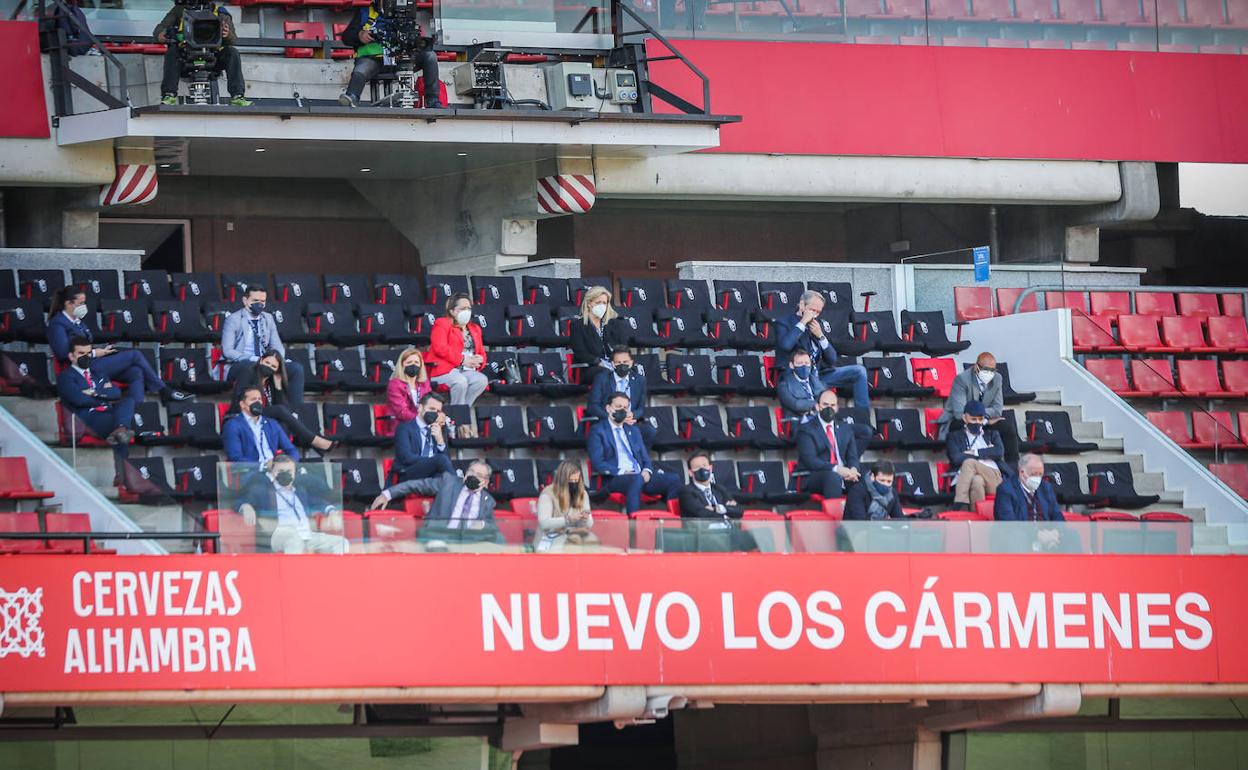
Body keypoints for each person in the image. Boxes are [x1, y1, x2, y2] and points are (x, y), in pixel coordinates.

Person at [46, 286, 191, 403]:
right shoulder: (57, 324)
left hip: (93, 363)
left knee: (136, 372)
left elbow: (84, 344)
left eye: (84, 303)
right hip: (81, 369)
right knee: (135, 355)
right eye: (80, 303)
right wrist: (95, 353)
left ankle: (137, 412)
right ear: (68, 304)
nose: (83, 306)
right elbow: (63, 353)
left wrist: (102, 351)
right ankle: (163, 390)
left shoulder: (77, 322)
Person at [56, 337, 141, 484]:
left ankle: (121, 429)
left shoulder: (97, 373)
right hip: (88, 417)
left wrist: (93, 393)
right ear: (71, 356)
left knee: (128, 401)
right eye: (81, 353)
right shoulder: (65, 377)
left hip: (108, 412)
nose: (86, 357)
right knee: (121, 429)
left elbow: (116, 393)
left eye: (88, 353)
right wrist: (104, 396)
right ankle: (122, 475)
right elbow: (79, 400)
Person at [587, 391, 682, 513]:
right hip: (615, 477)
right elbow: (597, 463)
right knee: (636, 478)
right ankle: (634, 521)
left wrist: (647, 470)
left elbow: (645, 458)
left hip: (639, 476)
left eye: (625, 408)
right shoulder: (597, 430)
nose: (622, 410)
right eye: (618, 406)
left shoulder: (634, 431)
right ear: (608, 408)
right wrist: (623, 471)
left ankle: (674, 518)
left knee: (674, 479)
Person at [337, 0, 443, 108]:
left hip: (402, 59)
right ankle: (352, 97)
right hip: (375, 60)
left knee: (430, 56)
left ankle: (432, 100)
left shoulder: (406, 13)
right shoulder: (365, 12)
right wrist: (359, 35)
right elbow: (346, 37)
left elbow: (413, 37)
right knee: (362, 68)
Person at [774, 290, 870, 408]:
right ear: (802, 305)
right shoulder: (784, 322)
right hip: (797, 375)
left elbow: (832, 359)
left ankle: (862, 414)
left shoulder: (816, 325)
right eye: (812, 310)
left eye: (818, 312)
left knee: (859, 371)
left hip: (820, 374)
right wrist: (802, 323)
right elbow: (785, 345)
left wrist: (821, 336)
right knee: (822, 393)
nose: (815, 315)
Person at [237, 455, 348, 554]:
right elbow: (238, 500)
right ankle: (294, 571)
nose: (285, 474)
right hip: (279, 534)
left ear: (295, 474)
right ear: (272, 472)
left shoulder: (300, 491)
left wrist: (332, 511)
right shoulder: (263, 491)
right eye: (280, 471)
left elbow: (320, 503)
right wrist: (246, 506)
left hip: (306, 535)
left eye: (289, 471)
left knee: (341, 542)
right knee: (294, 538)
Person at [229, 351, 336, 453]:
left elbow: (285, 408)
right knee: (279, 411)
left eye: (273, 366)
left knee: (284, 421)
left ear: (277, 370)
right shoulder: (248, 372)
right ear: (261, 360)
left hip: (262, 418)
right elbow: (238, 399)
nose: (269, 367)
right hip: (244, 413)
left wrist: (278, 387)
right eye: (267, 363)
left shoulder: (270, 382)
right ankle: (313, 440)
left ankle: (281, 454)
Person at [369, 462, 501, 544]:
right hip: (439, 537)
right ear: (466, 473)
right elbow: (417, 485)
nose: (473, 476)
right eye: (471, 472)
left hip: (470, 543)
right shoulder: (448, 482)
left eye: (479, 475)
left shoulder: (488, 501)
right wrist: (388, 494)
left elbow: (492, 529)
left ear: (485, 481)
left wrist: (482, 526)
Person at [154, 0, 251, 106]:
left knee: (232, 52)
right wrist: (164, 35)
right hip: (186, 56)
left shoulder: (220, 12)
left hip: (212, 57)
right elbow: (159, 30)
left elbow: (233, 40)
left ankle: (237, 96)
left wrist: (227, 35)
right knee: (172, 51)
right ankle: (169, 94)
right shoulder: (180, 10)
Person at [937, 351, 1020, 466]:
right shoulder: (961, 380)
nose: (989, 373)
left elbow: (997, 409)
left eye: (992, 370)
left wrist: (981, 418)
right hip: (960, 420)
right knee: (959, 424)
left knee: (1007, 427)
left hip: (981, 420)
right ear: (976, 367)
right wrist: (985, 419)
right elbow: (960, 413)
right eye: (986, 369)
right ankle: (963, 463)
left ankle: (1013, 468)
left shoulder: (997, 378)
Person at [221, 286, 307, 396]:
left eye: (262, 301)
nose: (259, 304)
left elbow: (277, 346)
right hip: (240, 363)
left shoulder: (268, 318)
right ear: (245, 300)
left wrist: (277, 360)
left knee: (296, 368)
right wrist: (253, 358)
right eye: (255, 300)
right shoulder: (233, 319)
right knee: (251, 367)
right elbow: (227, 351)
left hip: (266, 362)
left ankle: (295, 406)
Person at [677, 452, 758, 551]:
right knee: (734, 541)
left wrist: (717, 508)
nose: (702, 469)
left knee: (762, 535)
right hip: (704, 535)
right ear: (690, 472)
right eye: (697, 467)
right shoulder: (686, 491)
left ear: (710, 468)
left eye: (704, 465)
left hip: (728, 531)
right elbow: (701, 513)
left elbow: (739, 511)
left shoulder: (719, 489)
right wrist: (726, 512)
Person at [795, 388, 862, 499]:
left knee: (866, 478)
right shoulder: (806, 429)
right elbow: (811, 461)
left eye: (832, 405)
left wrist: (853, 470)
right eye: (825, 404)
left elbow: (852, 457)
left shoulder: (845, 428)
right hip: (816, 475)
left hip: (844, 474)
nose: (829, 408)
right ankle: (834, 511)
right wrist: (836, 469)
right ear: (817, 406)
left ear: (837, 408)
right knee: (833, 477)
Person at [994, 454, 1068, 552]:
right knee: (1017, 537)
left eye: (1040, 474)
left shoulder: (1046, 487)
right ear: (1022, 472)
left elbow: (1057, 514)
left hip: (1047, 534)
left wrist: (1056, 532)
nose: (1038, 478)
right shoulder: (1006, 489)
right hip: (1023, 535)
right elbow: (1008, 523)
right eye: (1034, 474)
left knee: (1071, 535)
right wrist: (1037, 534)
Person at [425, 293, 488, 406]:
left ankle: (463, 409)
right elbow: (440, 348)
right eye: (463, 308)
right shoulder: (442, 323)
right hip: (445, 369)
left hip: (467, 370)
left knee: (481, 380)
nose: (467, 311)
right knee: (460, 381)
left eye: (469, 308)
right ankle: (458, 413)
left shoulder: (475, 328)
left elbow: (481, 351)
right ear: (452, 311)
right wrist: (462, 360)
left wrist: (480, 360)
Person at [587, 346, 655, 445]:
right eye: (618, 362)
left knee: (649, 432)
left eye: (625, 362)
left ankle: (637, 455)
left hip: (630, 422)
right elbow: (592, 406)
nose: (622, 365)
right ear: (612, 364)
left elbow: (641, 408)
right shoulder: (601, 378)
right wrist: (612, 418)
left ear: (631, 363)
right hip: (608, 421)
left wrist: (633, 415)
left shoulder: (640, 380)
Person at [946, 400, 1006, 510]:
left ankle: (960, 501)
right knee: (977, 481)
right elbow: (956, 458)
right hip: (969, 479)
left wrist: (975, 452)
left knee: (969, 462)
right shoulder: (954, 437)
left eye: (980, 419)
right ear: (965, 418)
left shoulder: (992, 434)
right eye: (973, 419)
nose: (977, 422)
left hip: (994, 479)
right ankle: (977, 516)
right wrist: (987, 452)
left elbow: (999, 452)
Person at [221, 387, 300, 467]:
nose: (258, 402)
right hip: (251, 471)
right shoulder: (232, 425)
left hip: (275, 469)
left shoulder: (272, 424)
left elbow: (291, 450)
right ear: (242, 404)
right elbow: (235, 458)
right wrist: (263, 465)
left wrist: (288, 463)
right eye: (253, 399)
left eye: (259, 399)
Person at [534, 460, 596, 552]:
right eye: (571, 481)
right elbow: (544, 523)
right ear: (562, 480)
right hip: (550, 538)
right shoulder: (548, 494)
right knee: (572, 546)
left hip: (575, 535)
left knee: (593, 543)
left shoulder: (582, 493)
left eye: (576, 480)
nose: (573, 484)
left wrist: (585, 518)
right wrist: (568, 520)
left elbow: (589, 524)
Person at [393, 392, 453, 481]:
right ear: (420, 408)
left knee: (444, 478)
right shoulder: (404, 428)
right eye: (431, 409)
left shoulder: (439, 430)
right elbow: (406, 457)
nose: (434, 413)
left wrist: (440, 441)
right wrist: (432, 461)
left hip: (433, 474)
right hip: (409, 472)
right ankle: (458, 485)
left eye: (438, 411)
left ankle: (456, 485)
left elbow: (447, 462)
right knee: (441, 461)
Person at [569, 286, 626, 371]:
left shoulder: (613, 324)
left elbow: (622, 347)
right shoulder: (577, 325)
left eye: (604, 303)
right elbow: (580, 353)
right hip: (592, 367)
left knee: (636, 375)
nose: (602, 306)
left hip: (614, 365)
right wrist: (599, 362)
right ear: (589, 303)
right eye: (598, 302)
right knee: (606, 373)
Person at [385, 347, 432, 423]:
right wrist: (422, 420)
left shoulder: (424, 383)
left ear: (421, 365)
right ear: (402, 365)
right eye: (409, 362)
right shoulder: (395, 384)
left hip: (423, 422)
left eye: (416, 362)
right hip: (403, 424)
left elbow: (431, 405)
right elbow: (402, 412)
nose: (413, 365)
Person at [775, 349, 820, 422]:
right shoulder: (783, 385)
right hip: (797, 421)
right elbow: (796, 404)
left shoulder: (817, 382)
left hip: (819, 419)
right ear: (791, 365)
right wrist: (818, 404)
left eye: (807, 363)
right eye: (800, 363)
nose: (804, 366)